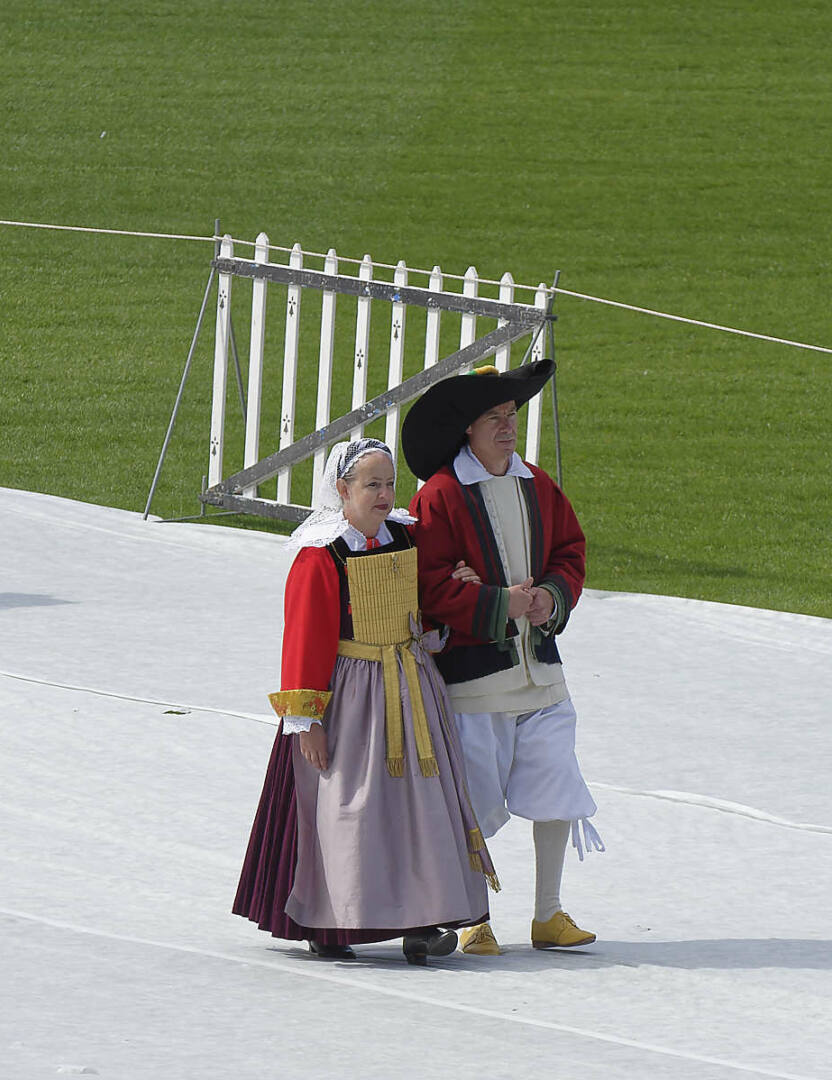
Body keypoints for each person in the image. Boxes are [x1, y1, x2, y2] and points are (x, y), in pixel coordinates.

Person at [233, 438, 499, 966]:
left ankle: (424, 919)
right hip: (352, 697)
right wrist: (307, 722)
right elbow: (305, 636)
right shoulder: (322, 555)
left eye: (388, 483)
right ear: (342, 490)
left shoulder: (405, 537)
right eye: (371, 484)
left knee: (421, 808)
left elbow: (427, 600)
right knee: (346, 807)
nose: (383, 495)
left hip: (411, 687)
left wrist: (454, 595)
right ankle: (332, 920)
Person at [403, 359, 602, 956]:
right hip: (474, 682)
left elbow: (570, 550)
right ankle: (472, 919)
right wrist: (497, 601)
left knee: (557, 784)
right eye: (494, 417)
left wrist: (550, 596)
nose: (507, 427)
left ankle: (548, 915)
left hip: (540, 672)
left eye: (511, 415)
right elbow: (429, 586)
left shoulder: (537, 484)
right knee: (472, 801)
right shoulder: (438, 495)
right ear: (468, 427)